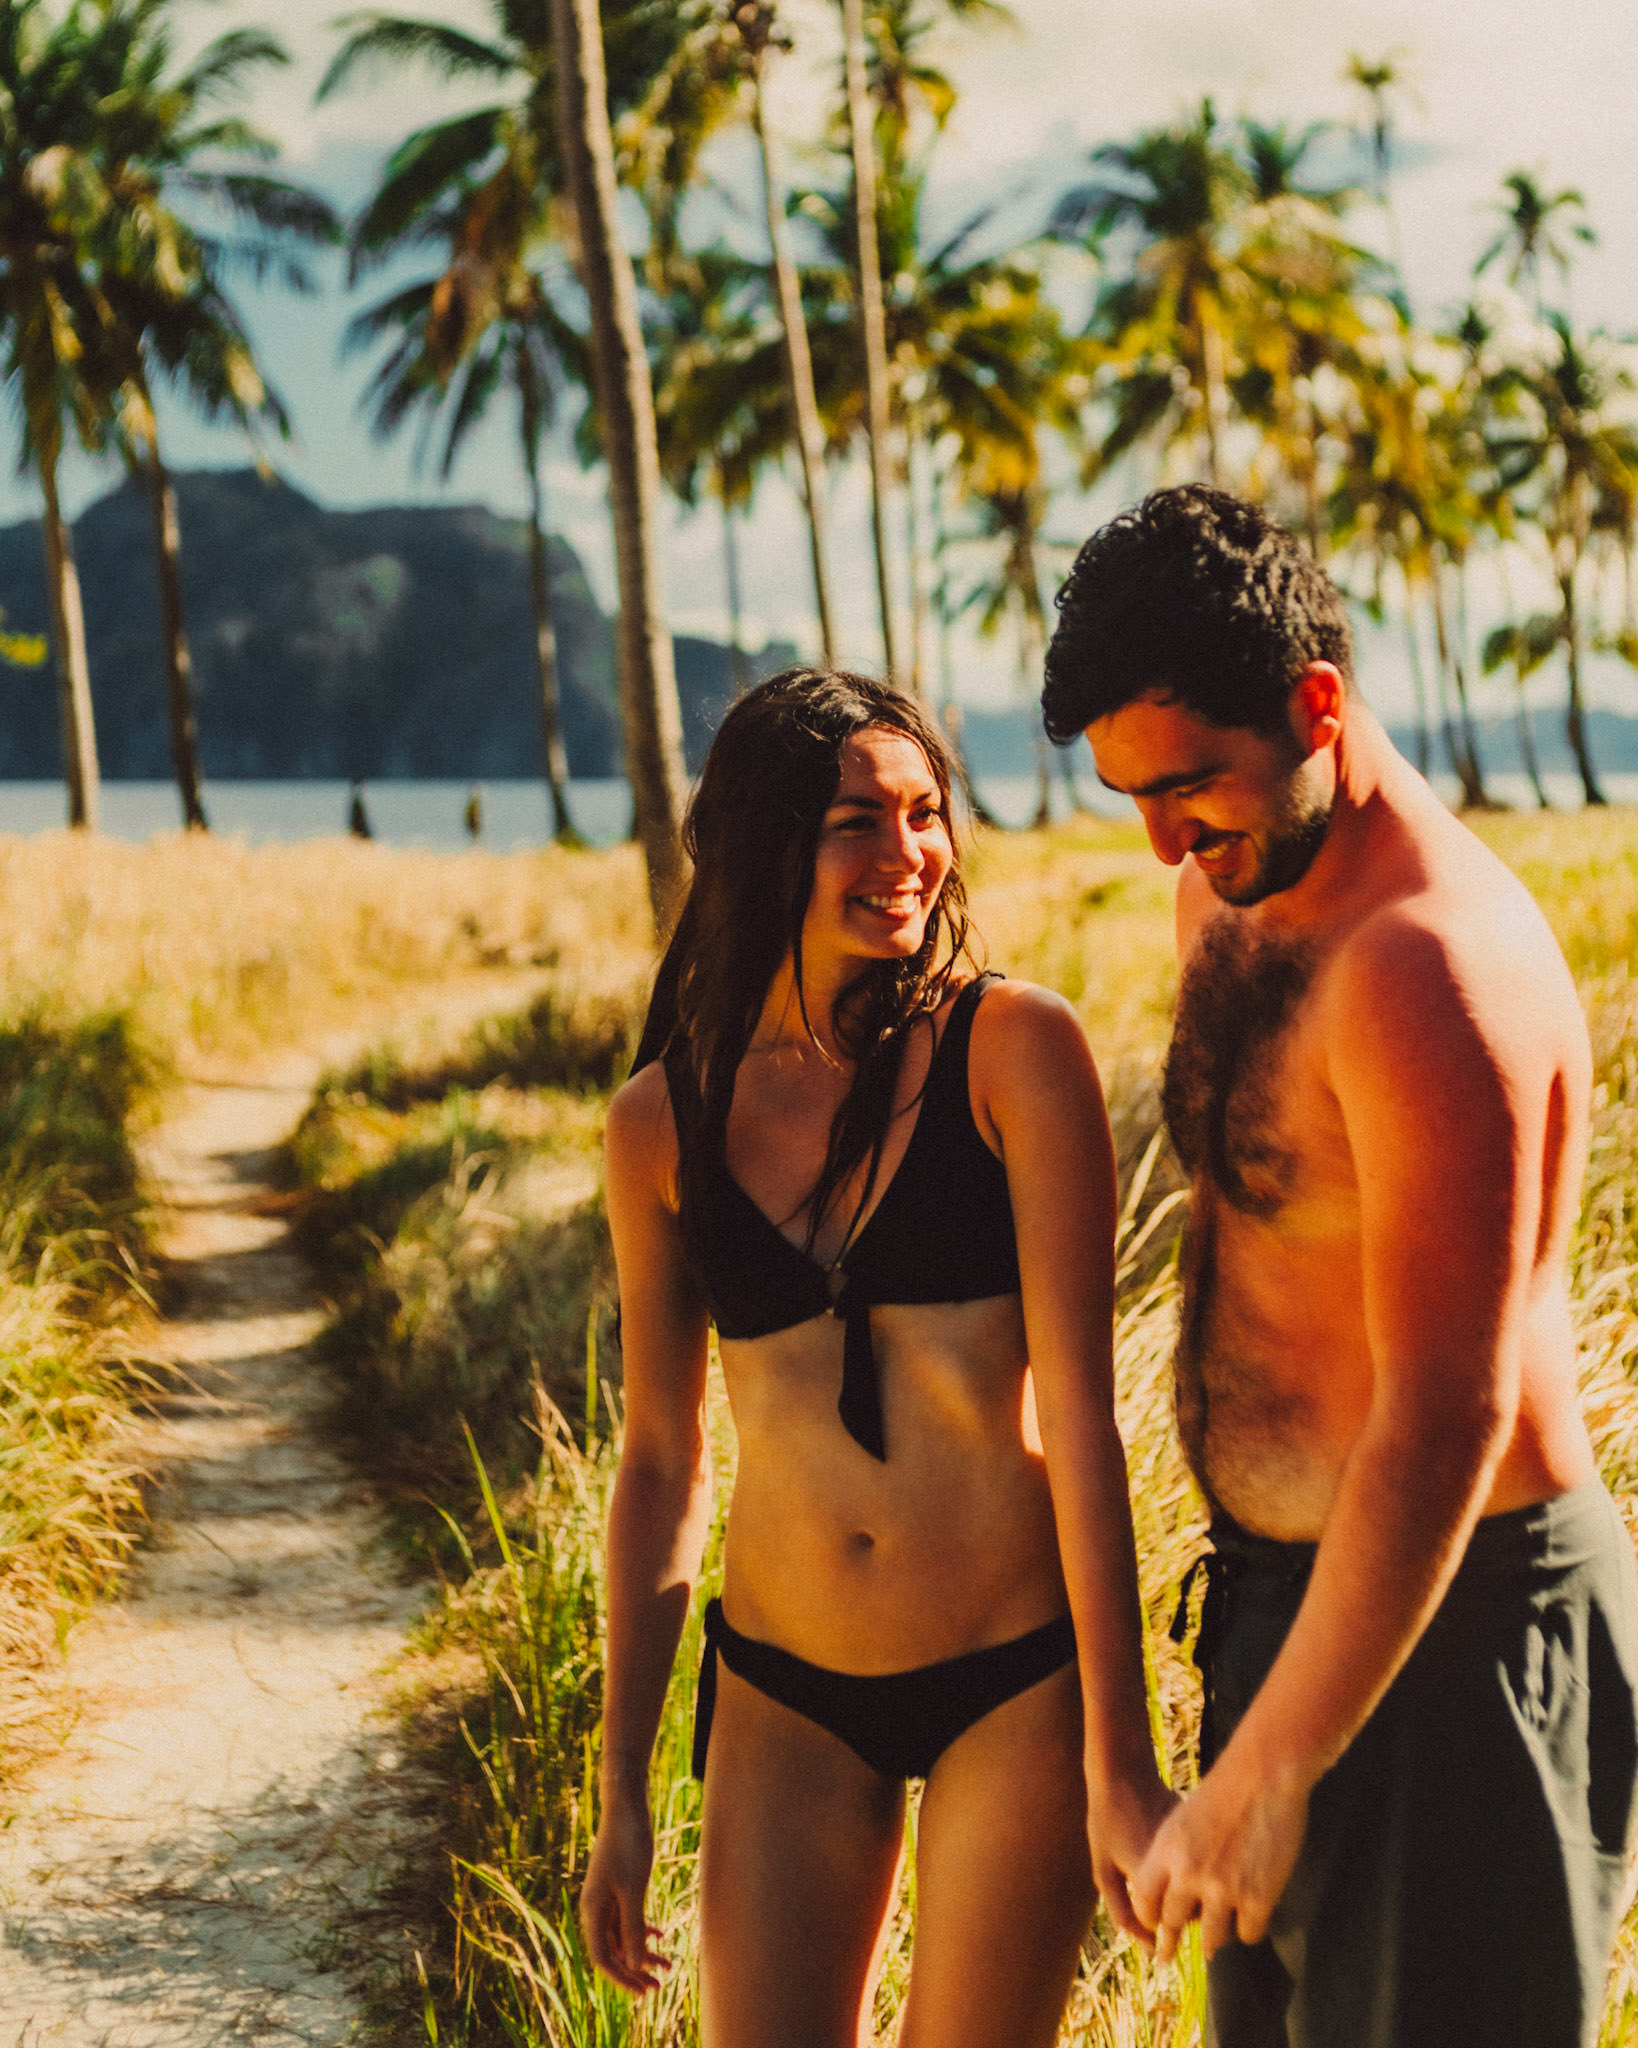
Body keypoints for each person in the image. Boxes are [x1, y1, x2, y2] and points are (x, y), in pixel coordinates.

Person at [1041, 484, 1638, 2048]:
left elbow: (1444, 1414)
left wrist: (1271, 1767)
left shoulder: (1429, 970)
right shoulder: (1223, 893)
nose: (1164, 836)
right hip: (1289, 1616)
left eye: (1188, 786)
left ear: (1315, 703)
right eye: (1132, 797)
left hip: (1453, 1647)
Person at [580, 668, 1170, 2046]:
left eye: (924, 814)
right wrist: (621, 1795)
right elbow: (660, 1466)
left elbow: (1082, 1419)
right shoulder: (661, 1123)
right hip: (784, 1692)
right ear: (765, 841)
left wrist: (1121, 1759)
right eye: (858, 820)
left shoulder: (1012, 1052)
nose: (906, 857)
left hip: (1010, 1684)